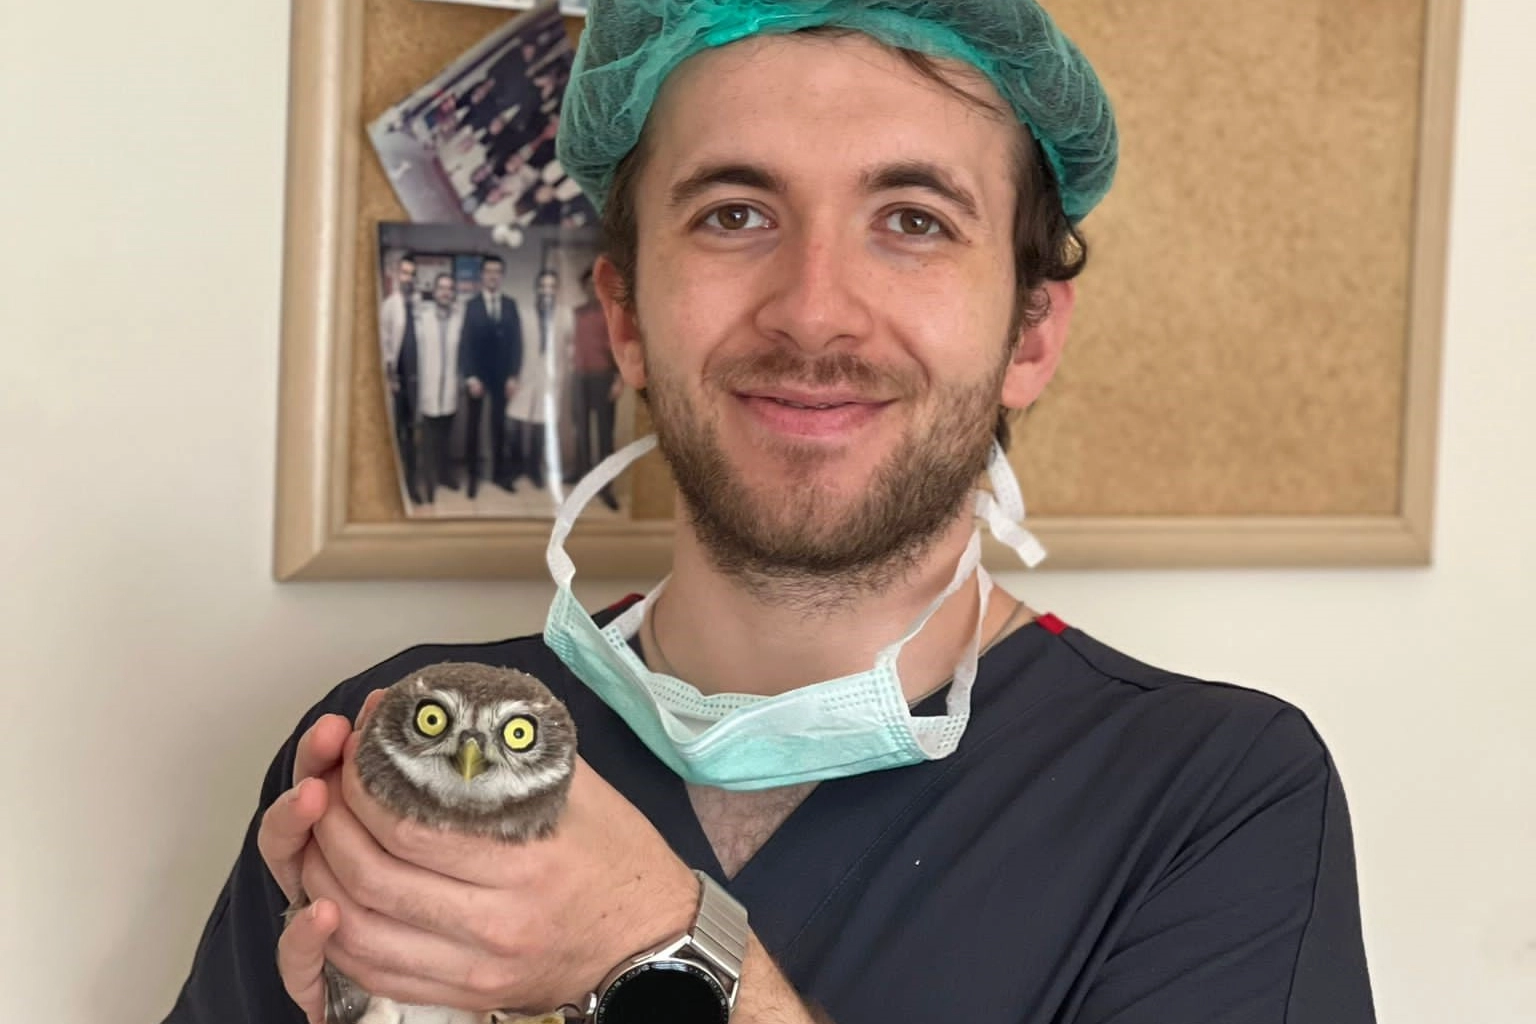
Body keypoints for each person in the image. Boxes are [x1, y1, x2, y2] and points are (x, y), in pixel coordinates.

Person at [166, 4, 1376, 1024]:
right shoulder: (398, 742)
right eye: (735, 214)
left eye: (913, 220)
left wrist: (662, 943)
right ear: (626, 318)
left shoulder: (1213, 799)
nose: (813, 311)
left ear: (1030, 334)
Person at [459, 255, 523, 498]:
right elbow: (465, 344)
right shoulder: (471, 305)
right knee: (473, 428)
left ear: (502, 275)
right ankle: (473, 477)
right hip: (477, 376)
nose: (493, 275)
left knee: (499, 427)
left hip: (502, 377)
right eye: (488, 271)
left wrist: (513, 375)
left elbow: (517, 342)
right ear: (482, 275)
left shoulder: (510, 304)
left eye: (497, 271)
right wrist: (470, 377)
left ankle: (499, 474)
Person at [505, 267, 569, 491]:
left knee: (541, 427)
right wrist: (511, 376)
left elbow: (570, 349)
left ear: (557, 290)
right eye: (543, 286)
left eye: (551, 286)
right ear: (537, 288)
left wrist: (562, 375)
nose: (547, 290)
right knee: (515, 425)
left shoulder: (566, 316)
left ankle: (534, 470)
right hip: (523, 376)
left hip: (549, 381)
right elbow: (513, 346)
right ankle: (516, 467)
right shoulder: (524, 314)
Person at [570, 264, 621, 508]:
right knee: (580, 429)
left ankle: (606, 488)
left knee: (604, 434)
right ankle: (580, 475)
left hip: (603, 378)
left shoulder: (611, 313)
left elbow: (620, 350)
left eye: (595, 284)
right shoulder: (577, 313)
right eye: (587, 285)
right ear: (583, 288)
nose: (591, 289)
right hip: (579, 378)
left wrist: (619, 381)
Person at [412, 272, 463, 505]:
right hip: (428, 388)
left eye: (449, 288)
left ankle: (444, 475)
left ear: (453, 293)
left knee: (446, 437)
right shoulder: (422, 318)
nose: (445, 292)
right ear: (434, 291)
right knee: (428, 441)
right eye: (441, 288)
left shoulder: (458, 319)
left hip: (449, 388)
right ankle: (429, 482)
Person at [377, 253, 422, 505]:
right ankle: (395, 487)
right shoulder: (389, 305)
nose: (408, 278)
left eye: (412, 274)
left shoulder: (419, 305)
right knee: (397, 435)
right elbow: (384, 344)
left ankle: (412, 485)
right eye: (404, 273)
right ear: (397, 274)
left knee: (414, 436)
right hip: (398, 382)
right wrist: (390, 376)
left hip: (417, 382)